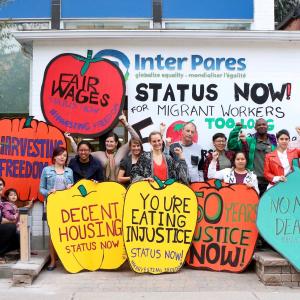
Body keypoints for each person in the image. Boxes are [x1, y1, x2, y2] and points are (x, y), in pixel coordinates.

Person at [66, 114, 140, 181]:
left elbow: (136, 139)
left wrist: (125, 123)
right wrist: (71, 139)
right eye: (107, 141)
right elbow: (81, 153)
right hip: (103, 187)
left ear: (116, 143)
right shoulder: (99, 154)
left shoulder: (121, 151)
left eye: (111, 142)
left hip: (119, 186)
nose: (109, 143)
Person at [40, 147, 74, 271]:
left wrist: (71, 188)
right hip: (52, 205)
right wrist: (48, 192)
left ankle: (66, 260)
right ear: (54, 157)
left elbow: (73, 189)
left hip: (66, 205)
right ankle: (53, 261)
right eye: (59, 155)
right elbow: (41, 188)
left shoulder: (69, 171)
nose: (62, 157)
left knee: (66, 233)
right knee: (53, 234)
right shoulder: (46, 170)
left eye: (64, 155)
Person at [227, 118, 277, 195]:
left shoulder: (274, 143)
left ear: (267, 126)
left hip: (269, 182)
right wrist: (236, 129)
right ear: (255, 128)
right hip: (252, 181)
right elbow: (232, 146)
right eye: (259, 125)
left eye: (263, 124)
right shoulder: (249, 141)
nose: (261, 126)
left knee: (266, 206)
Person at [0, 178, 19, 263]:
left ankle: (3, 252)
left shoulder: (3, 201)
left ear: (3, 187)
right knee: (11, 227)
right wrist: (12, 221)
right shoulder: (6, 204)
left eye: (0, 185)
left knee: (18, 237)